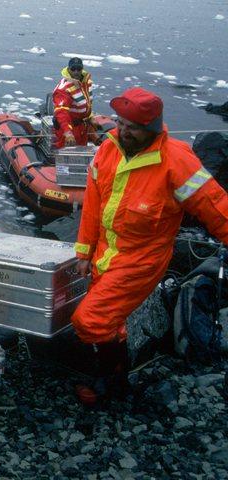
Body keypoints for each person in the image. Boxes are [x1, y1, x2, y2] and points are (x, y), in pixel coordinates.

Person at [72, 87, 228, 405]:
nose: (123, 131)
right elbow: (92, 203)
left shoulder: (176, 159)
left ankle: (110, 377)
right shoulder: (107, 149)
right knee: (110, 319)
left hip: (142, 257)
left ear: (152, 128)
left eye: (132, 127)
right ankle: (116, 380)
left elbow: (215, 205)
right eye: (120, 123)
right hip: (105, 251)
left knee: (88, 320)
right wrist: (84, 251)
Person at [53, 57, 95, 148]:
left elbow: (87, 103)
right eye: (73, 69)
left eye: (78, 69)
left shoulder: (87, 83)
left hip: (82, 127)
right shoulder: (64, 88)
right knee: (68, 155)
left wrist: (90, 117)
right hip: (69, 128)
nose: (76, 72)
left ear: (82, 69)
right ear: (69, 69)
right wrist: (68, 132)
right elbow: (61, 111)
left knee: (82, 153)